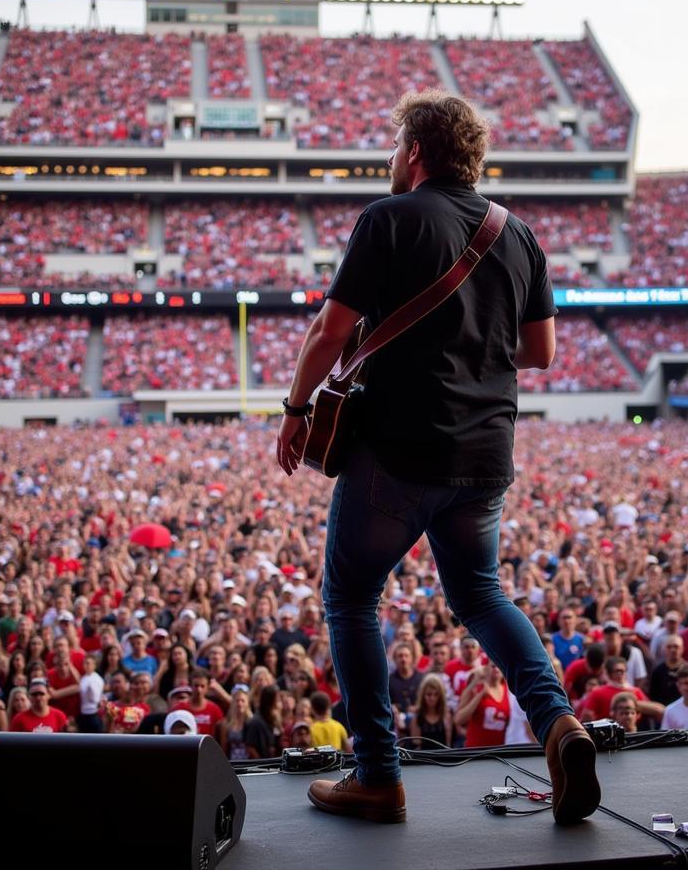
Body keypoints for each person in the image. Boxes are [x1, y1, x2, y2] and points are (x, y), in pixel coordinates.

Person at [276, 90, 599, 825]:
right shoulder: (519, 234)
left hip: (397, 453)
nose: (390, 160)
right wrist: (471, 340)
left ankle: (378, 775)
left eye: (393, 146)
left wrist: (295, 411)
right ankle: (559, 724)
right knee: (482, 596)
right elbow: (540, 352)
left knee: (352, 598)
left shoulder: (388, 218)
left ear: (415, 151)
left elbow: (331, 331)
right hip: (485, 456)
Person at [408, 673, 454, 750]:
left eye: (436, 694)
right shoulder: (417, 718)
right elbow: (416, 746)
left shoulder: (446, 716)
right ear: (423, 695)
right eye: (429, 694)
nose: (432, 698)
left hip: (443, 758)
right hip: (424, 759)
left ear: (441, 696)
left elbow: (448, 745)